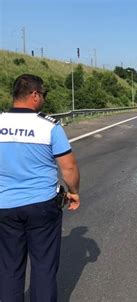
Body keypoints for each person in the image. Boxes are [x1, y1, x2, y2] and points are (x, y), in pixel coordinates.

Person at [0, 74, 81, 302]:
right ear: (34, 95)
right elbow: (69, 167)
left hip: (4, 208)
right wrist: (73, 192)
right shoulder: (49, 126)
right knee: (43, 269)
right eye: (43, 95)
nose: (43, 99)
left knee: (8, 270)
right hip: (42, 206)